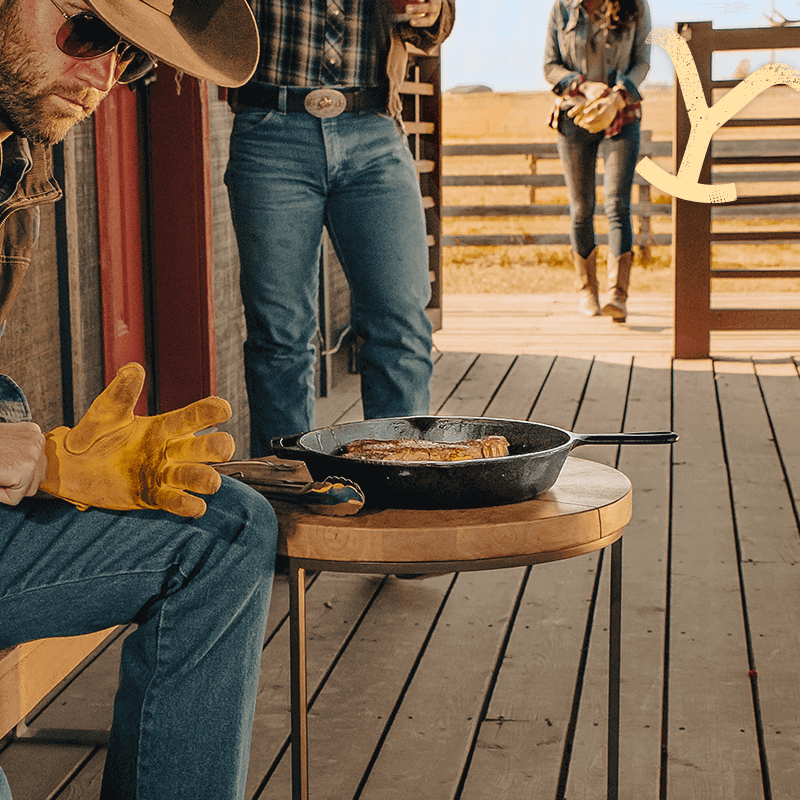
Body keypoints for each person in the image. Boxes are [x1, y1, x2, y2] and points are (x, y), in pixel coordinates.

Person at [0, 1, 279, 798]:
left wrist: (46, 454)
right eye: (86, 31)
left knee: (224, 530)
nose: (101, 77)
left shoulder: (14, 155)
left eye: (126, 53)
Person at [224, 0, 455, 457]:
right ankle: (287, 484)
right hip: (270, 130)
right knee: (279, 336)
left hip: (374, 127)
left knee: (401, 323)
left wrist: (430, 12)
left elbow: (434, 23)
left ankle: (402, 477)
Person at [544, 0, 651, 322]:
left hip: (622, 114)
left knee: (618, 205)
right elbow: (550, 67)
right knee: (581, 208)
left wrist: (618, 96)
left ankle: (618, 295)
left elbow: (642, 62)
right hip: (574, 115)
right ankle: (587, 290)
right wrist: (585, 86)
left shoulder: (635, 4)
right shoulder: (562, 9)